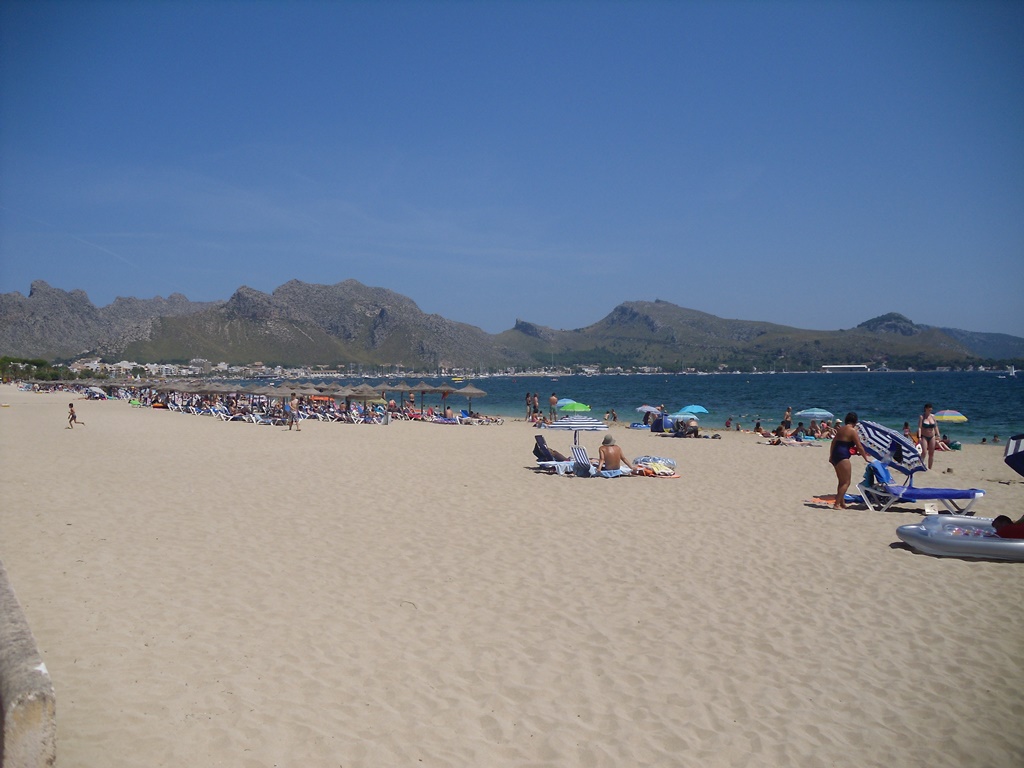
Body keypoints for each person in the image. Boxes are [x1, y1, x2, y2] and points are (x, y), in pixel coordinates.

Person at [829, 412, 869, 510]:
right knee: (847, 482)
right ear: (855, 421)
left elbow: (833, 442)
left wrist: (831, 455)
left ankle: (841, 503)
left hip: (835, 455)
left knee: (841, 481)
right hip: (842, 456)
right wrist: (865, 458)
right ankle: (836, 504)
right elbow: (859, 445)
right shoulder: (852, 431)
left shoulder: (841, 429)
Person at [917, 403, 938, 469]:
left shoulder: (933, 416)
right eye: (929, 409)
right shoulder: (922, 417)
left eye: (931, 409)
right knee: (924, 452)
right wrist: (919, 437)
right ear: (926, 409)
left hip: (932, 436)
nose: (930, 410)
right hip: (924, 436)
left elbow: (936, 426)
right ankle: (920, 466)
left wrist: (938, 435)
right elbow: (919, 428)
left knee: (931, 453)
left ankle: (930, 468)